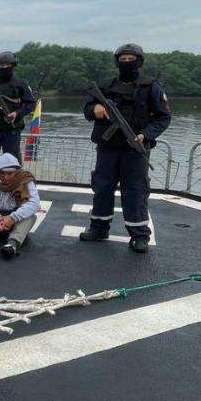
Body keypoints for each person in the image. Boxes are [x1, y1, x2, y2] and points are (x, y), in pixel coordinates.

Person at [79, 43, 172, 253]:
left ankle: (139, 235)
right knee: (102, 187)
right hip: (107, 147)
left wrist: (144, 135)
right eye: (123, 59)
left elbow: (163, 117)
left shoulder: (151, 86)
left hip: (135, 148)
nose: (127, 63)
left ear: (139, 61)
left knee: (135, 190)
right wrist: (96, 108)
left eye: (131, 59)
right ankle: (99, 228)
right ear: (117, 62)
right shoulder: (104, 86)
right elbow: (86, 109)